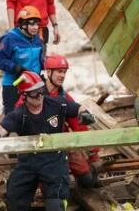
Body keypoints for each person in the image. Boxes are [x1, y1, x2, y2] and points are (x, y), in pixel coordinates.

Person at [0, 71, 95, 211]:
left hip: (54, 159)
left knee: (55, 199)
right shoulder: (19, 114)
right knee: (16, 194)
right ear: (25, 95)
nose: (40, 96)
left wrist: (85, 114)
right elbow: (2, 128)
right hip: (29, 161)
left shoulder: (56, 104)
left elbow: (77, 108)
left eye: (41, 90)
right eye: (35, 93)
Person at [42, 54, 100, 188]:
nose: (62, 75)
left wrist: (93, 154)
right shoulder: (35, 94)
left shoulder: (64, 97)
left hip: (64, 143)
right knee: (51, 185)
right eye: (58, 71)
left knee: (88, 180)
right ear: (49, 72)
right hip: (42, 147)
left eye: (64, 72)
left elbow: (78, 125)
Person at [0, 5, 46, 114]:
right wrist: (15, 67)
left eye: (37, 23)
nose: (36, 27)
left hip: (34, 84)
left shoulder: (37, 39)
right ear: (23, 24)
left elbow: (39, 60)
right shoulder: (9, 38)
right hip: (13, 85)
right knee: (12, 117)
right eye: (32, 23)